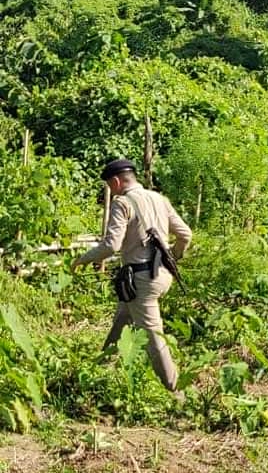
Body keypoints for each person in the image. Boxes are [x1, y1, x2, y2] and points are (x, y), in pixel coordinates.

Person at [71, 159, 192, 394]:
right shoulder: (159, 199)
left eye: (109, 185)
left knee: (153, 336)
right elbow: (185, 234)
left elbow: (111, 246)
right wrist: (173, 257)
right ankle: (100, 369)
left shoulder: (122, 203)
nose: (110, 189)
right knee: (123, 316)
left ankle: (177, 392)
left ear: (116, 181)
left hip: (141, 279)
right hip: (162, 275)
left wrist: (81, 260)